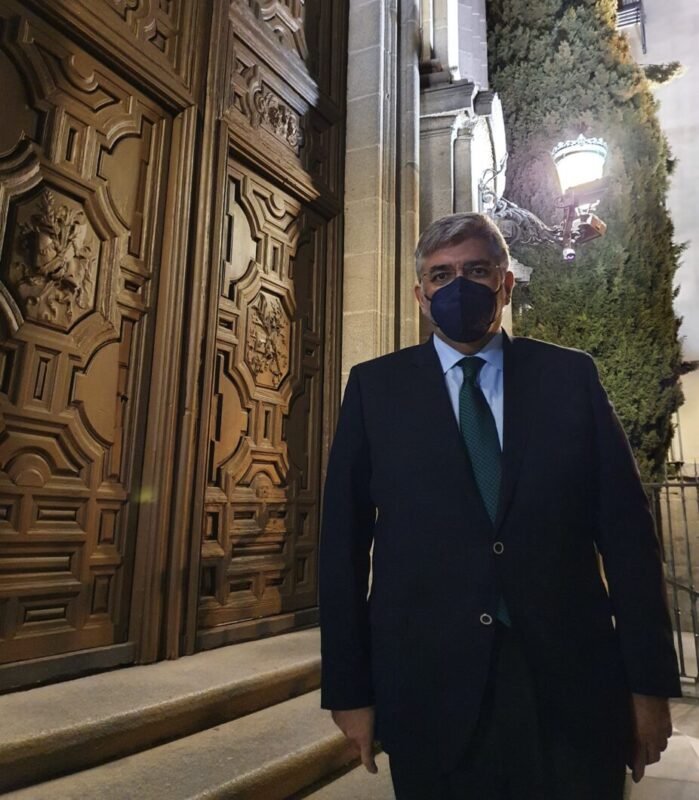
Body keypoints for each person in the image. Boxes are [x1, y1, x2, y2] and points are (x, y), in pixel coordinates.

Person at [318, 213, 681, 800]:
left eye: (476, 270)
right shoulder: (374, 389)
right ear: (420, 295)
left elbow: (629, 538)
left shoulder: (570, 378)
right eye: (441, 275)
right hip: (429, 687)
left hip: (570, 686)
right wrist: (348, 691)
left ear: (505, 284)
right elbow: (342, 546)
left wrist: (649, 685)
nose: (457, 285)